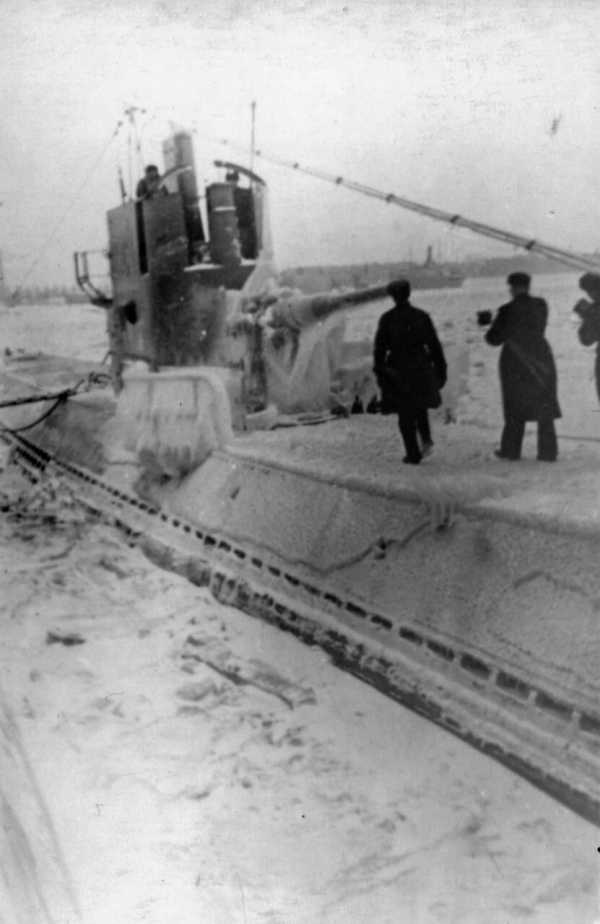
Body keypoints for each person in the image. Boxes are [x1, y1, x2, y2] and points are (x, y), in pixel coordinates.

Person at [479, 272, 560, 461]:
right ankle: (548, 452)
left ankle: (511, 450)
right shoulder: (541, 305)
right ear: (528, 286)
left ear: (512, 288)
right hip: (541, 355)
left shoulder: (507, 310)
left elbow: (494, 339)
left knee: (514, 406)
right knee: (544, 405)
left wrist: (488, 322)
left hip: (514, 362)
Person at [374, 279, 447, 465]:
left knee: (405, 413)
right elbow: (435, 346)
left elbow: (379, 350)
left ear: (393, 296)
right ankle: (426, 439)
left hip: (399, 370)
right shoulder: (421, 316)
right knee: (420, 405)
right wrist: (441, 371)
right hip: (421, 367)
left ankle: (413, 454)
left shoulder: (387, 319)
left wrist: (380, 372)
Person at [573, 272, 600, 402]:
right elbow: (586, 340)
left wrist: (587, 315)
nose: (589, 295)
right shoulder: (593, 308)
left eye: (590, 291)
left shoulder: (593, 309)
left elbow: (587, 340)